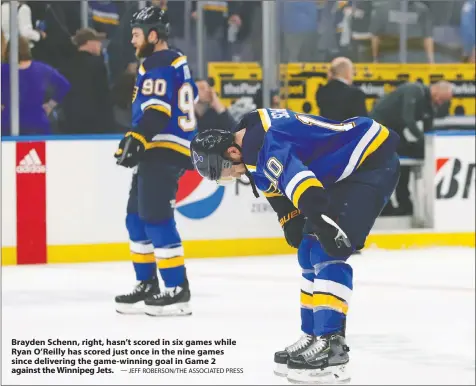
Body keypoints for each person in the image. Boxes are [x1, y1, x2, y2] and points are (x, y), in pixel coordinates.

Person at [189, 109, 400, 383]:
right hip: (345, 168)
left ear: (231, 152)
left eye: (224, 171)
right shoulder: (248, 138)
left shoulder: (262, 144)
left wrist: (320, 221)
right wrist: (288, 216)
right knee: (308, 251)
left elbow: (300, 183)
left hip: (371, 162)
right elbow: (270, 180)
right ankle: (313, 335)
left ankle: (332, 344)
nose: (230, 176)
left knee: (328, 250)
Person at [113, 6, 198, 317]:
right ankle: (147, 282)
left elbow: (158, 111)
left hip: (163, 149)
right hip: (159, 148)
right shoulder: (175, 60)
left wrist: (137, 137)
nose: (133, 41)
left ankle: (177, 288)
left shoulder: (159, 60)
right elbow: (187, 99)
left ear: (153, 35)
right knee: (136, 218)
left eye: (136, 35)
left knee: (156, 218)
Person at [371, 81, 453, 215]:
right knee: (391, 162)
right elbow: (408, 119)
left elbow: (428, 128)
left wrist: (429, 143)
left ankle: (404, 203)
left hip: (395, 130)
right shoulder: (414, 90)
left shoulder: (431, 104)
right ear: (436, 91)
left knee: (410, 156)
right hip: (378, 128)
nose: (441, 103)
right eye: (442, 99)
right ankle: (385, 206)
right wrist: (424, 140)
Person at [1, 36, 70, 136]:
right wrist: (50, 105)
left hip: (8, 122)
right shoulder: (41, 68)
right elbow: (64, 85)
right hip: (37, 122)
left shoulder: (3, 69)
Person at [60, 28, 115, 134]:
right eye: (98, 42)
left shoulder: (67, 64)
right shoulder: (97, 64)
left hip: (71, 119)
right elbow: (103, 94)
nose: (100, 45)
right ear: (89, 42)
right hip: (95, 122)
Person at [316, 57, 368, 121]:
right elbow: (363, 123)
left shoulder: (322, 92)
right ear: (347, 72)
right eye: (352, 72)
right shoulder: (356, 94)